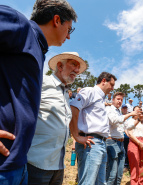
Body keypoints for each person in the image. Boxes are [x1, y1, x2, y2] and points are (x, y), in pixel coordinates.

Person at [0, 1, 77, 184]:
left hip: (17, 163)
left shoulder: (37, 48)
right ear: (57, 20)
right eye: (69, 29)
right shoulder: (20, 26)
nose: (68, 37)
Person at [27, 52, 86, 184]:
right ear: (60, 66)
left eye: (78, 68)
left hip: (58, 166)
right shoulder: (41, 81)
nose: (77, 70)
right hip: (36, 163)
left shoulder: (65, 93)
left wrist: (76, 137)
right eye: (73, 64)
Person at [69, 72, 117, 185]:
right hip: (91, 144)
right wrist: (76, 136)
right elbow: (73, 108)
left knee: (100, 182)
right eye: (112, 84)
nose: (112, 88)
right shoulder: (90, 91)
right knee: (88, 182)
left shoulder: (101, 99)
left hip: (100, 143)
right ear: (104, 81)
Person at [106, 92, 140, 185]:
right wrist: (129, 114)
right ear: (113, 100)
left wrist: (139, 120)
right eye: (118, 99)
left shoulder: (119, 112)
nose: (120, 101)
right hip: (111, 142)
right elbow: (113, 121)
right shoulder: (109, 109)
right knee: (111, 174)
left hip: (120, 143)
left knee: (119, 175)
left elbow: (127, 127)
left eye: (121, 99)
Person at [127, 106, 143, 185]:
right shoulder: (130, 121)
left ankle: (141, 182)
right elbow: (130, 134)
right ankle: (134, 182)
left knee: (142, 164)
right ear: (133, 112)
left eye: (140, 111)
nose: (139, 112)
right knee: (134, 164)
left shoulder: (142, 122)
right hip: (134, 142)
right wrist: (139, 143)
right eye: (137, 111)